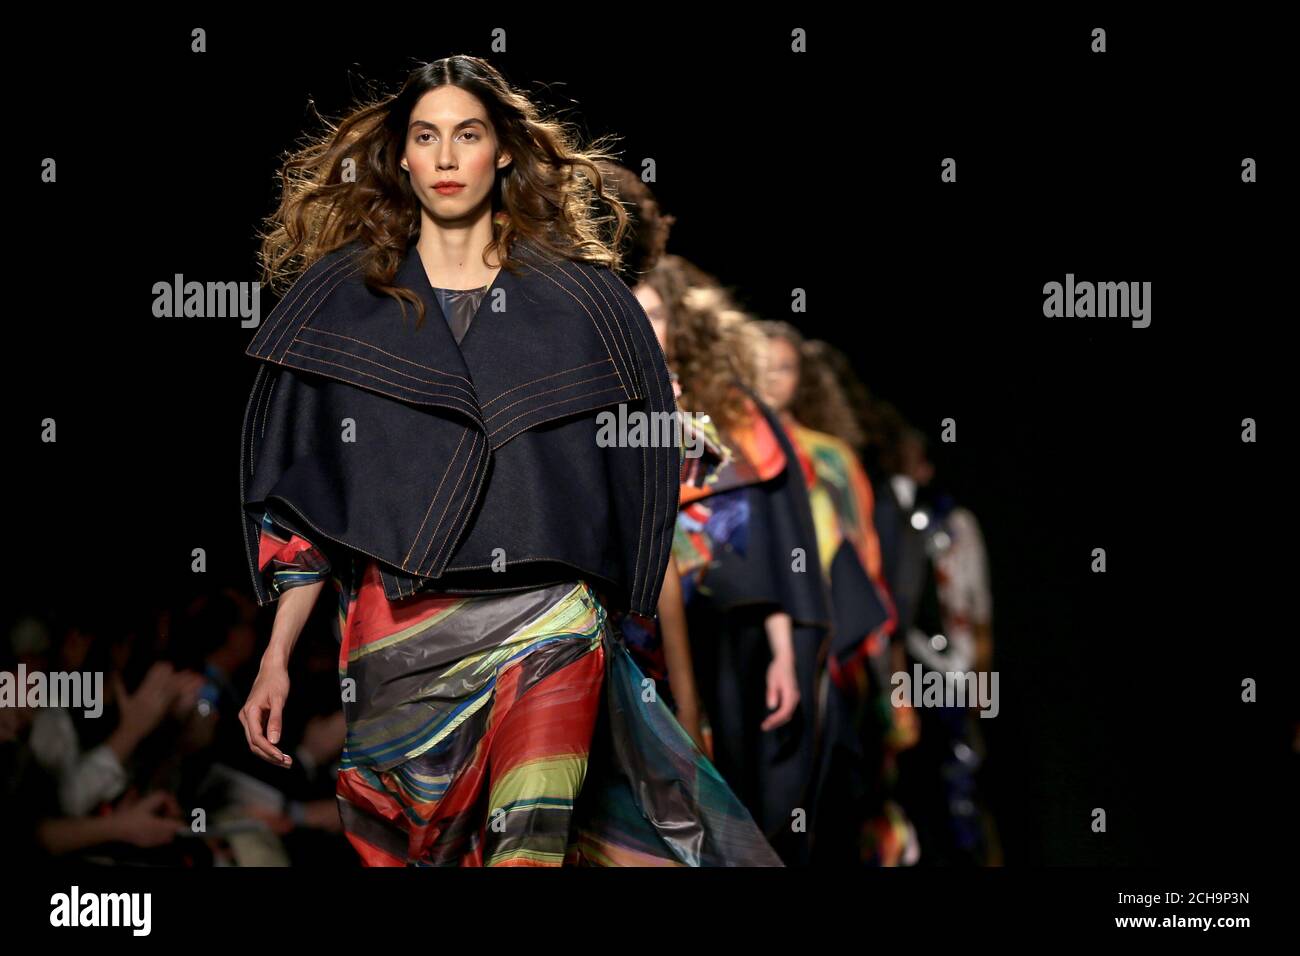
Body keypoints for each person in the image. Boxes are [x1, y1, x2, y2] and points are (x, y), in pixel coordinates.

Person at [237, 55, 779, 866]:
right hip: (398, 637)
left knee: (531, 846)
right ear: (401, 156)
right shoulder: (344, 311)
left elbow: (619, 469)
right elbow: (309, 506)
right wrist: (275, 657)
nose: (448, 158)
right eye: (427, 137)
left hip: (548, 621)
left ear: (503, 153)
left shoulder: (578, 305)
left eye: (468, 135)